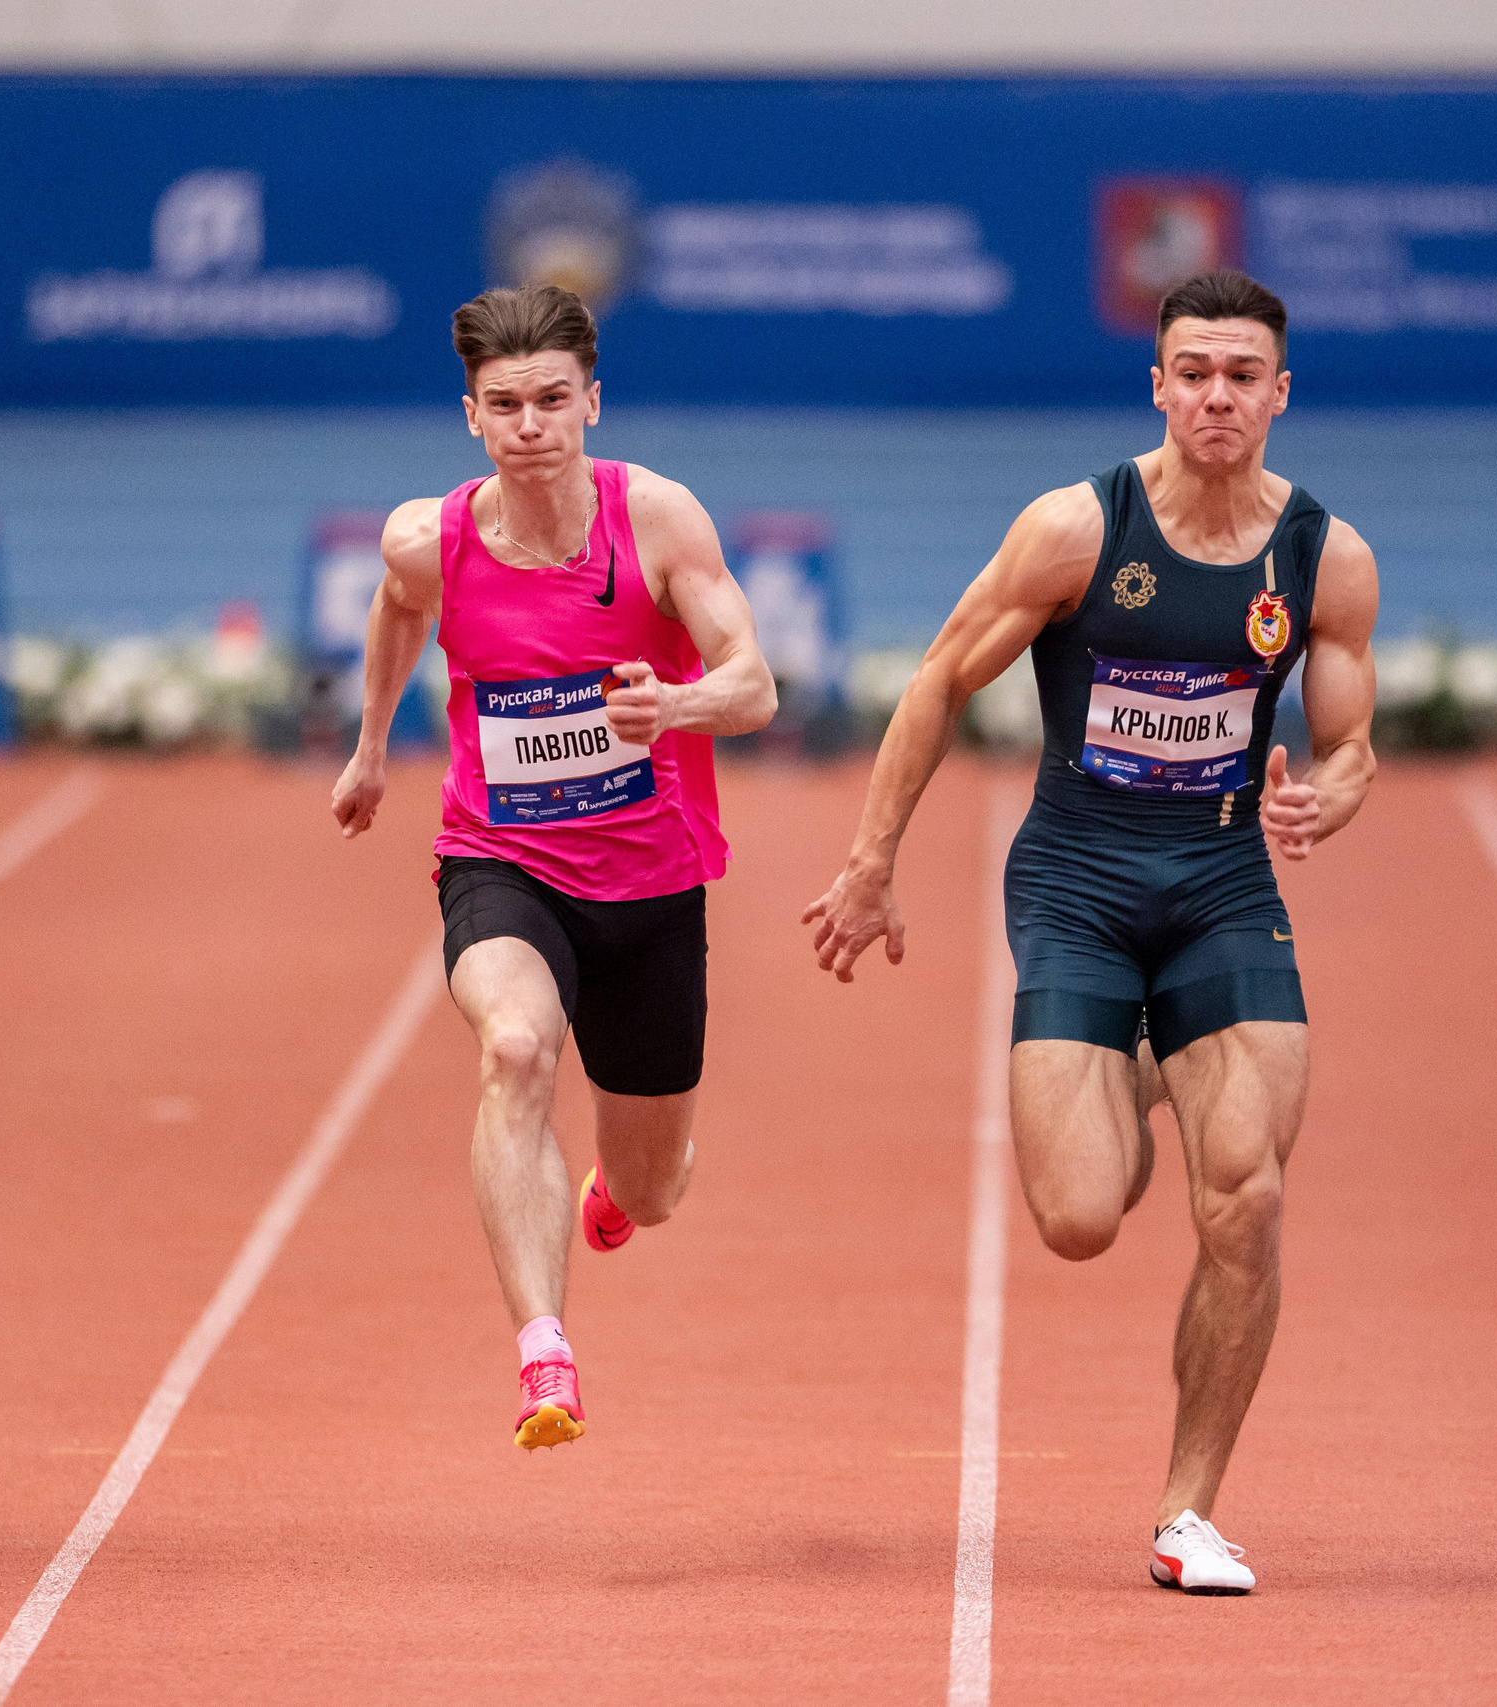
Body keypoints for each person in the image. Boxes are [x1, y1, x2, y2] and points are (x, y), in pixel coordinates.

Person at [802, 271, 1379, 1591]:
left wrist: (1328, 800)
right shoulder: (1078, 528)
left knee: (1251, 1193)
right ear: (1159, 385)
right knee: (1076, 1215)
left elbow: (1348, 745)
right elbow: (945, 671)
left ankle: (1188, 1508)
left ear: (1281, 392)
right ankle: (1140, 1063)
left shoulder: (1326, 559)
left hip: (1227, 884)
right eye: (1194, 371)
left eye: (1244, 374)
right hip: (1077, 883)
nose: (1218, 396)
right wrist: (871, 861)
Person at [331, 285, 775, 1450]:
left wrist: (674, 703)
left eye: (551, 400)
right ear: (471, 417)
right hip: (501, 859)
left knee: (653, 1190)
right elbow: (393, 613)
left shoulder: (660, 521)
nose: (530, 424)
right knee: (515, 1047)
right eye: (504, 404)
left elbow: (756, 683)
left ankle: (610, 1195)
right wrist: (372, 746)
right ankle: (544, 1358)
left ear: (591, 402)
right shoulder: (428, 540)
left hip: (650, 882)